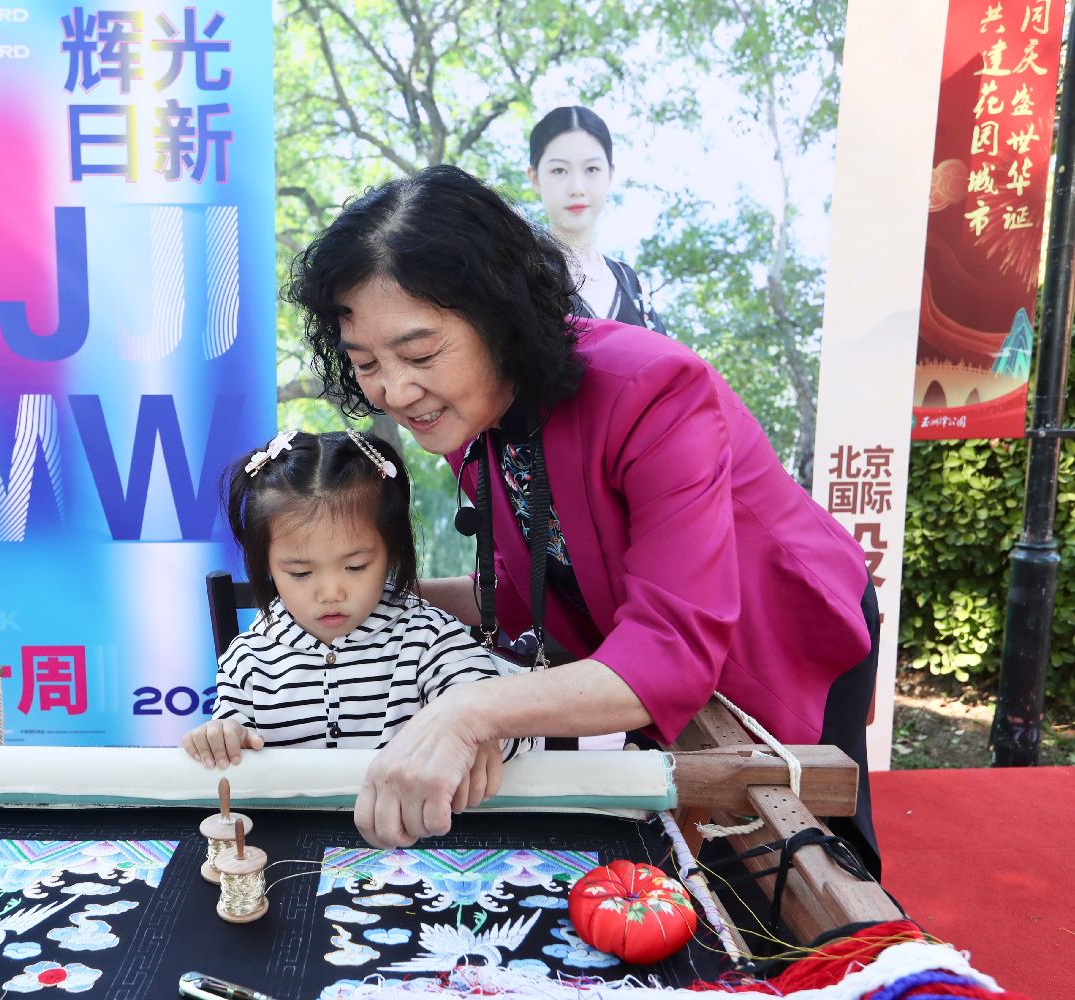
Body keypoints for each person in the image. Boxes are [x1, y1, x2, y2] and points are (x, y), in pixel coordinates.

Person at [287, 165, 881, 877]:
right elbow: (529, 585)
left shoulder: (654, 387)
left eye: (419, 353)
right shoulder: (469, 415)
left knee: (801, 861)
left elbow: (670, 649)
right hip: (651, 634)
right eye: (365, 363)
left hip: (778, 618)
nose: (396, 389)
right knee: (690, 854)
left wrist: (467, 712)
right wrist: (378, 594)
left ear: (499, 318)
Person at [180, 428, 539, 809]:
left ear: (392, 552)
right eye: (300, 573)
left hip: (411, 832)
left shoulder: (428, 637)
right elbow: (230, 746)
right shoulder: (248, 659)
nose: (331, 592)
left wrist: (482, 733)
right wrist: (220, 737)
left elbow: (501, 724)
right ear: (266, 565)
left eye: (355, 566)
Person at [528, 105, 667, 333]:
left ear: (610, 174)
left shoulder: (632, 285)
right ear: (535, 178)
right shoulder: (519, 272)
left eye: (591, 169)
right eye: (559, 171)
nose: (577, 188)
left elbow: (665, 355)